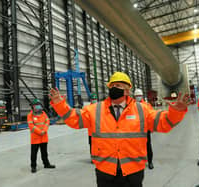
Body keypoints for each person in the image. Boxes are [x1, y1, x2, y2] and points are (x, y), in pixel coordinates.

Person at [49, 72, 190, 187]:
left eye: (118, 85)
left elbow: (163, 123)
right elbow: (74, 119)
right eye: (112, 85)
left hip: (133, 171)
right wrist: (60, 105)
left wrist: (176, 112)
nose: (114, 88)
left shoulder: (142, 110)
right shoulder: (95, 110)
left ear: (128, 90)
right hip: (105, 171)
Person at [27, 99, 55, 173]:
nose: (38, 107)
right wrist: (40, 132)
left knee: (44, 152)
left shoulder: (43, 113)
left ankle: (46, 164)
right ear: (32, 107)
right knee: (34, 154)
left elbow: (47, 121)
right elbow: (31, 126)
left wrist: (44, 130)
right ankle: (33, 167)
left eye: (39, 105)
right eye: (36, 105)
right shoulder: (30, 115)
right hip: (35, 138)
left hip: (44, 137)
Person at [134, 88, 154, 170]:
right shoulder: (132, 106)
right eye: (137, 96)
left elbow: (151, 116)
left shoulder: (147, 105)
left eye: (139, 96)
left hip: (146, 129)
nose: (138, 97)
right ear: (134, 97)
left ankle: (150, 162)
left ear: (142, 96)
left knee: (148, 145)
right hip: (135, 130)